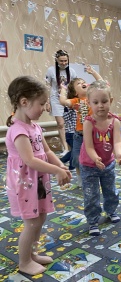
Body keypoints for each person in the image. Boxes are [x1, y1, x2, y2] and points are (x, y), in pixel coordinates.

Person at [5, 76, 71, 275]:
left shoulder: (35, 127)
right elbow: (30, 160)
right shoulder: (18, 131)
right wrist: (57, 171)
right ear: (24, 102)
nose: (45, 108)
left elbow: (48, 151)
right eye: (42, 104)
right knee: (31, 222)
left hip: (39, 182)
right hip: (25, 184)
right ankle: (24, 261)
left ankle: (32, 254)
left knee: (40, 218)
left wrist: (61, 165)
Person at [79, 80, 121, 236]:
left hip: (108, 164)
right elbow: (89, 146)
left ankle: (111, 211)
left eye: (104, 101)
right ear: (89, 103)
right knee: (91, 194)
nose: (100, 105)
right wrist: (95, 158)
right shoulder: (88, 123)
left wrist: (118, 154)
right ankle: (93, 220)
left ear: (110, 101)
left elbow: (117, 141)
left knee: (110, 190)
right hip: (89, 165)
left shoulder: (115, 121)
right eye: (96, 102)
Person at [59, 65, 101, 187]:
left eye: (84, 82)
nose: (83, 83)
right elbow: (63, 101)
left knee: (95, 157)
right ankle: (79, 178)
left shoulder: (94, 98)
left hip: (94, 134)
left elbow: (102, 84)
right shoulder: (76, 101)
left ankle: (95, 176)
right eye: (79, 84)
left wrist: (93, 72)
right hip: (79, 135)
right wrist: (63, 90)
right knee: (77, 158)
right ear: (75, 93)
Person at [45, 50, 77, 156]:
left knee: (70, 124)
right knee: (60, 123)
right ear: (56, 60)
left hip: (68, 99)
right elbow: (47, 86)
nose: (63, 63)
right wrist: (47, 102)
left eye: (65, 61)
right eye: (61, 61)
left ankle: (72, 145)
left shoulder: (71, 71)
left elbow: (75, 86)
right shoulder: (51, 70)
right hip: (55, 99)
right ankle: (65, 148)